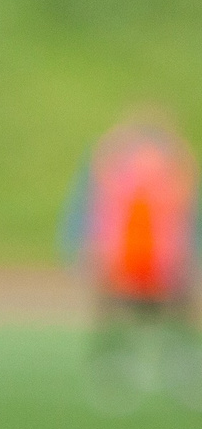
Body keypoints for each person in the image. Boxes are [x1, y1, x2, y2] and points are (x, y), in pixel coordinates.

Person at [61, 108, 199, 408]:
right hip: (122, 259)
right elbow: (93, 202)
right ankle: (111, 369)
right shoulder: (116, 173)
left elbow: (185, 213)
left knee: (176, 317)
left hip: (161, 262)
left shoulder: (170, 174)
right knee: (113, 317)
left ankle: (181, 368)